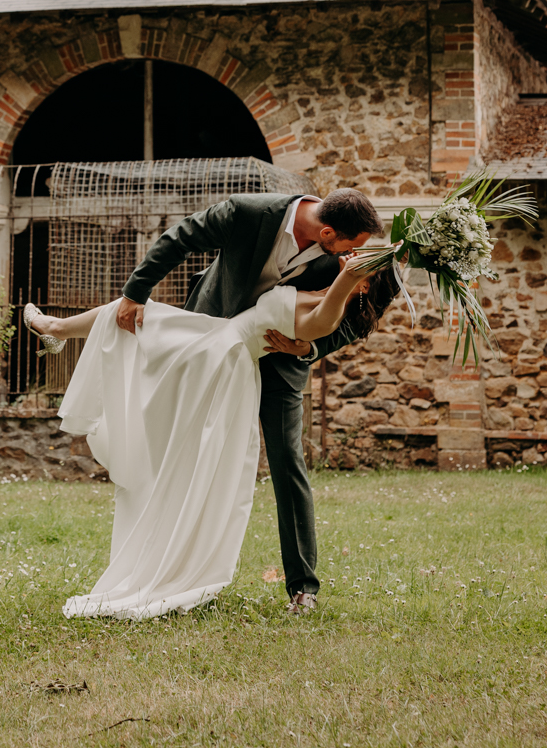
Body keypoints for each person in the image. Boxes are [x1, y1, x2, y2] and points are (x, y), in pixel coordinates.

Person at [26, 188, 385, 614]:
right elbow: (179, 239)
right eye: (353, 246)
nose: (357, 253)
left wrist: (307, 350)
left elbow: (356, 316)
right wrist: (135, 292)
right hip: (213, 334)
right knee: (148, 346)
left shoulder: (347, 264)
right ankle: (57, 328)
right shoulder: (249, 213)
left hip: (276, 359)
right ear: (327, 230)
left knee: (288, 462)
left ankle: (302, 588)